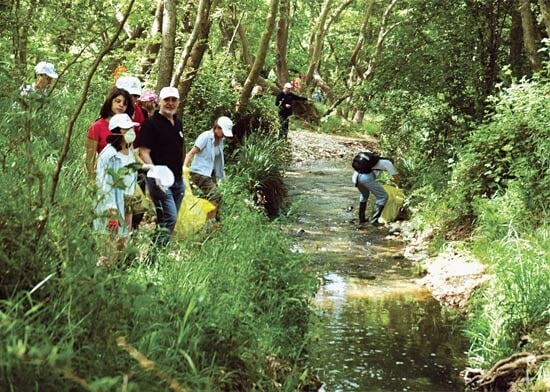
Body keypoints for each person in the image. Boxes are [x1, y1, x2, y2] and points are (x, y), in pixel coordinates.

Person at [93, 114, 145, 266]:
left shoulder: (128, 150)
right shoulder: (109, 155)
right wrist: (111, 210)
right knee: (109, 246)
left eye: (131, 128)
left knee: (121, 242)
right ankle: (99, 278)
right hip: (111, 204)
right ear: (116, 131)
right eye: (126, 129)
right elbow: (105, 184)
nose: (131, 131)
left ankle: (115, 279)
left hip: (124, 202)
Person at [139, 87, 185, 246]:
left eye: (174, 100)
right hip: (159, 180)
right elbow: (143, 152)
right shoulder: (151, 124)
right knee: (169, 219)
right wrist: (155, 173)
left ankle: (155, 257)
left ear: (178, 102)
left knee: (165, 221)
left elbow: (180, 150)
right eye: (167, 100)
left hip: (178, 180)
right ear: (159, 102)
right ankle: (153, 259)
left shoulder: (178, 124)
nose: (170, 103)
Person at [183, 116, 234, 220]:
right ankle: (208, 223)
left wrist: (222, 174)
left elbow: (218, 159)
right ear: (217, 128)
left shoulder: (220, 140)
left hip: (210, 173)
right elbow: (191, 153)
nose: (224, 135)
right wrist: (183, 167)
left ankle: (216, 223)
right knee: (215, 195)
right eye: (223, 131)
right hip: (199, 172)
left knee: (217, 199)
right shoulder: (205, 137)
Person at [86, 87, 134, 178]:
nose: (121, 105)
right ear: (110, 101)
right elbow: (90, 159)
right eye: (118, 101)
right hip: (105, 175)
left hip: (125, 176)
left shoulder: (128, 127)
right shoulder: (96, 127)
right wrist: (92, 181)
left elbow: (129, 151)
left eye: (125, 104)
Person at [352, 153, 402, 226]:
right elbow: (396, 176)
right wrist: (400, 187)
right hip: (366, 178)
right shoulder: (388, 163)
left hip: (356, 178)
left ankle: (361, 219)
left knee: (364, 195)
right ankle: (374, 220)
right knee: (383, 196)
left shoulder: (372, 163)